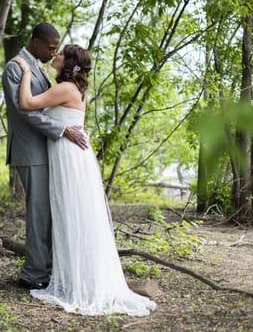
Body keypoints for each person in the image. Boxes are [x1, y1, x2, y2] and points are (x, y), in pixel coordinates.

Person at [12, 44, 157, 316]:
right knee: (76, 214)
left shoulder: (66, 88)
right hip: (74, 156)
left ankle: (78, 281)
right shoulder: (77, 88)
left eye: (61, 53)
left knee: (72, 214)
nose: (55, 55)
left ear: (69, 63)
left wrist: (25, 72)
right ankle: (77, 275)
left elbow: (26, 104)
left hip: (68, 157)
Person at [1, 23, 88, 290]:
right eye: (50, 48)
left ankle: (47, 268)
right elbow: (23, 111)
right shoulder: (16, 67)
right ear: (35, 41)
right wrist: (63, 129)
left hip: (46, 149)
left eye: (56, 50)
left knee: (48, 213)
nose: (53, 54)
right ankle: (34, 275)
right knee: (39, 213)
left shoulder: (37, 66)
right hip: (30, 151)